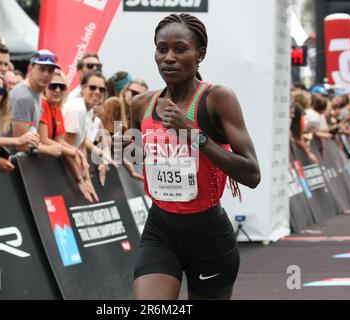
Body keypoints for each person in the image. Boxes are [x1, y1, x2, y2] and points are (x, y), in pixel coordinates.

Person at [129, 13, 261, 300]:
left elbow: (252, 174)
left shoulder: (218, 99)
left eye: (180, 49)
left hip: (208, 237)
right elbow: (133, 151)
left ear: (200, 54)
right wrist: (117, 146)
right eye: (161, 49)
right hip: (160, 230)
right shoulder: (140, 104)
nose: (169, 58)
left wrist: (194, 136)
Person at [39, 70, 98, 202]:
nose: (58, 90)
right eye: (53, 86)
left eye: (62, 87)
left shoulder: (57, 108)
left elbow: (60, 142)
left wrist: (83, 178)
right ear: (45, 87)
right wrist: (74, 152)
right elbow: (44, 140)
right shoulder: (42, 104)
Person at [10, 49, 62, 157]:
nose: (46, 74)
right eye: (41, 69)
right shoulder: (23, 96)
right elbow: (20, 145)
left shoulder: (37, 93)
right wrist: (48, 149)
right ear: (30, 68)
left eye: (50, 70)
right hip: (7, 163)